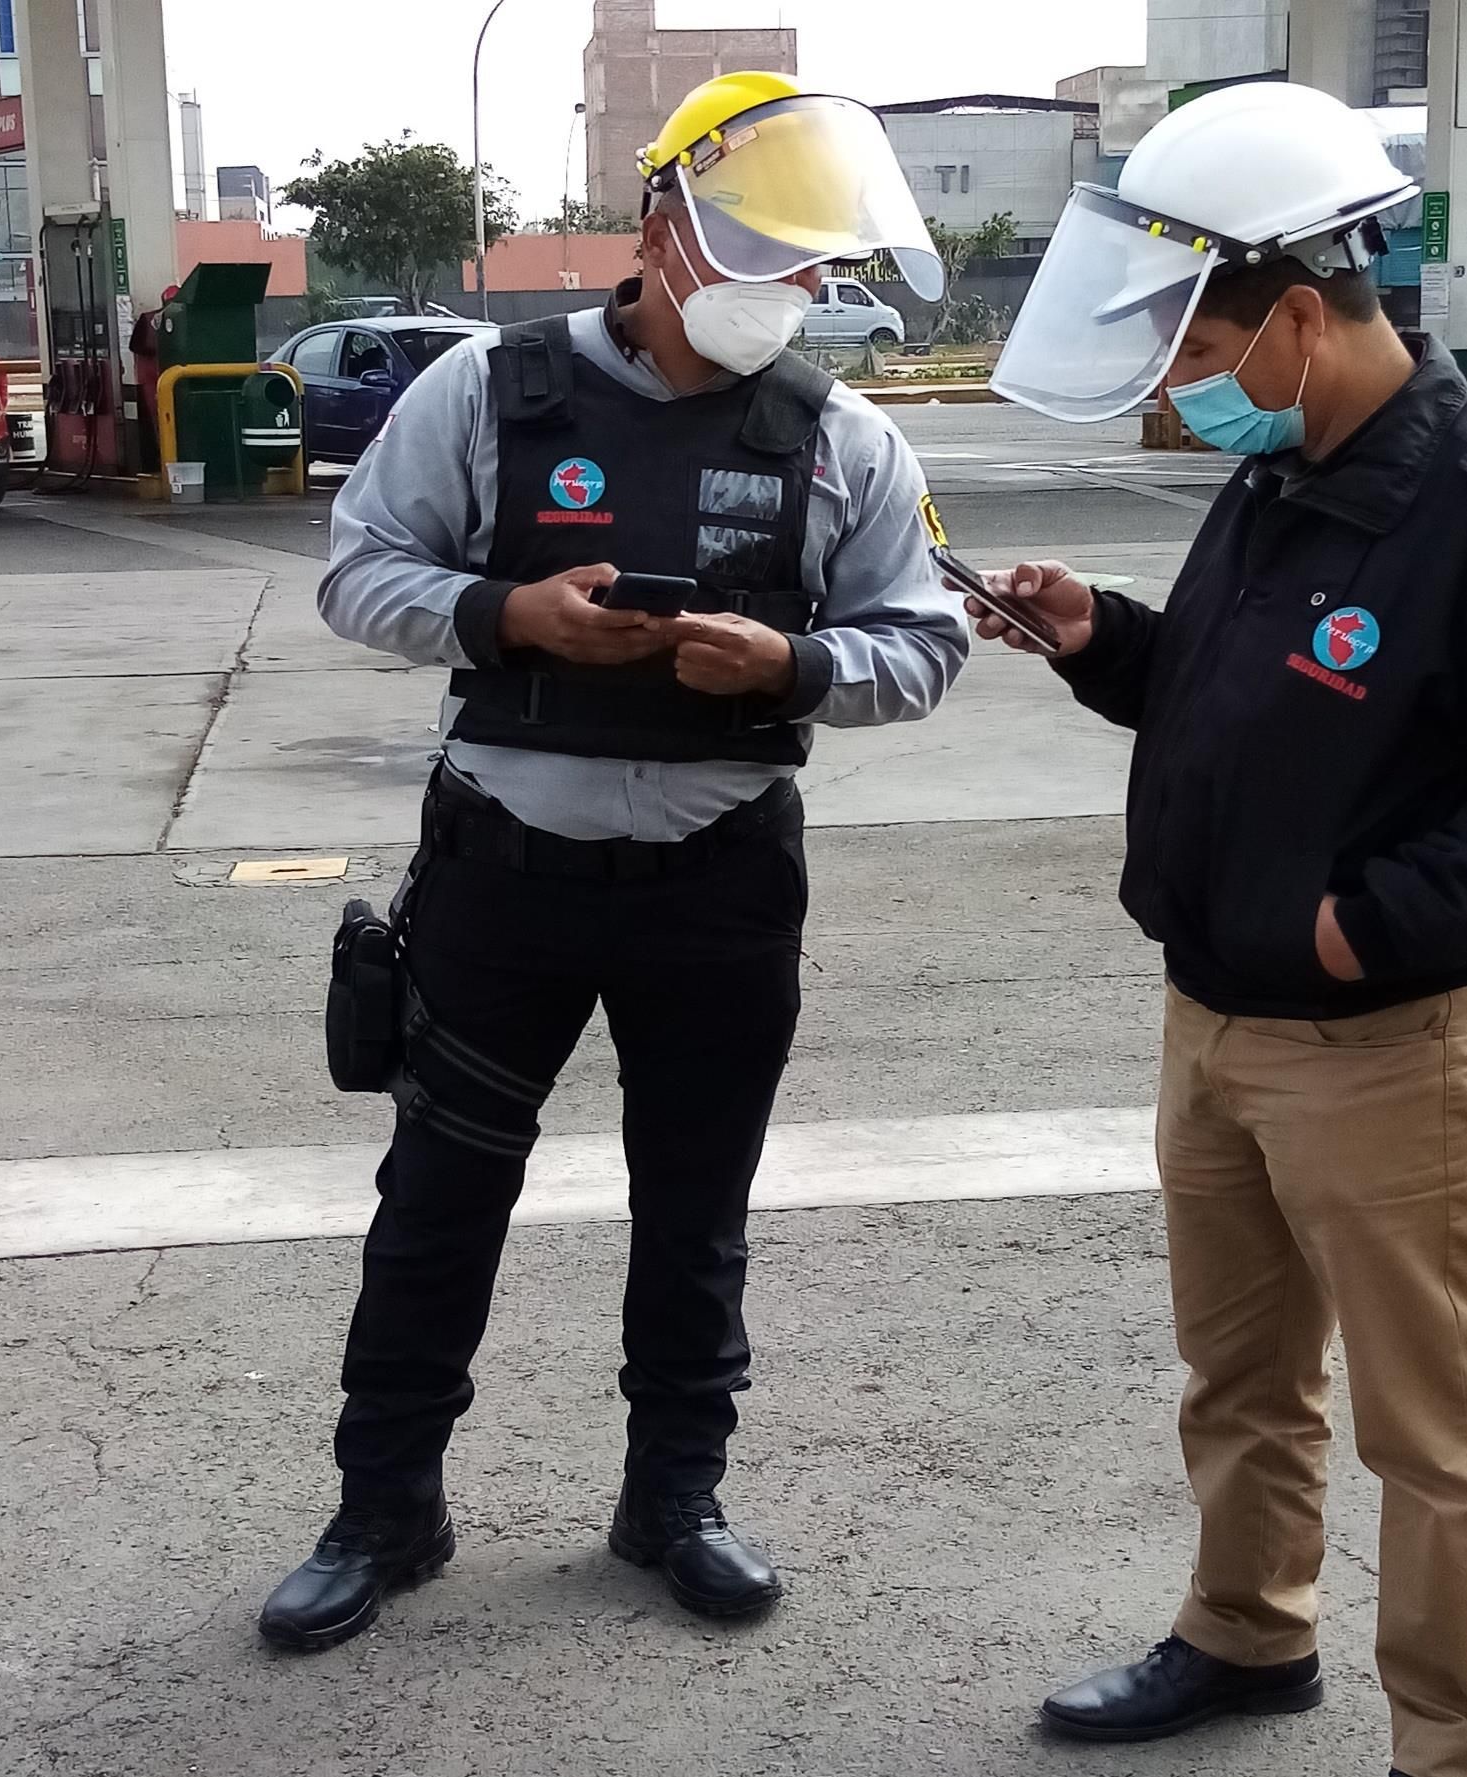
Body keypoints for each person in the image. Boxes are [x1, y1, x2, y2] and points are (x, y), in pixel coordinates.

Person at [258, 71, 966, 1652]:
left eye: (810, 271)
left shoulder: (831, 432)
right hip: (504, 870)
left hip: (720, 879)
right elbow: (360, 571)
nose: (785, 298)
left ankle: (673, 1499)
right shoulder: (492, 395)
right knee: (437, 1198)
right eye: (758, 258)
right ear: (661, 233)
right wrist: (505, 616)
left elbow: (919, 644)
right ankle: (385, 1508)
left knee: (695, 1206)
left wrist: (785, 669)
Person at [981, 81, 1464, 1777]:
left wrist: (1361, 928)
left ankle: (1447, 1740)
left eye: (1199, 344)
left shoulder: (1452, 497)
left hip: (1384, 1046)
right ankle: (1246, 1632)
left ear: (1305, 320)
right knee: (1239, 1372)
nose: (1184, 383)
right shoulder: (1282, 480)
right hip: (1211, 1015)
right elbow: (1225, 699)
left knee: (1440, 1437)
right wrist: (1096, 636)